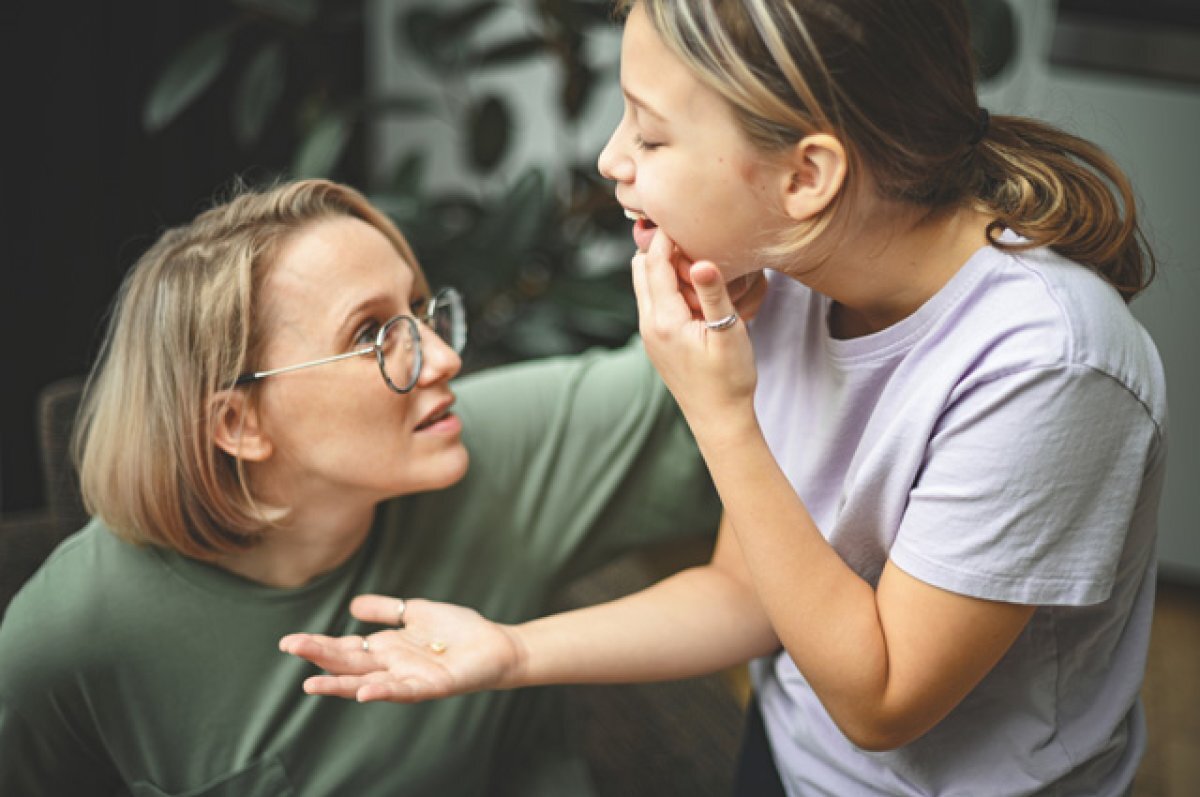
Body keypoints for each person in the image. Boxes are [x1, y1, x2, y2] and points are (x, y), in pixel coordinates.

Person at [280, 2, 1169, 795]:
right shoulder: (785, 269)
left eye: (651, 134)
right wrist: (513, 649)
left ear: (807, 176)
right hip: (787, 755)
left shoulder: (1049, 366)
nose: (609, 158)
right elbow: (747, 596)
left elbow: (882, 699)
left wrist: (721, 412)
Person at [0, 177, 750, 796]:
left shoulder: (483, 444)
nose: (443, 359)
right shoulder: (67, 634)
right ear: (237, 422)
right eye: (370, 336)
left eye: (419, 311)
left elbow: (722, 353)